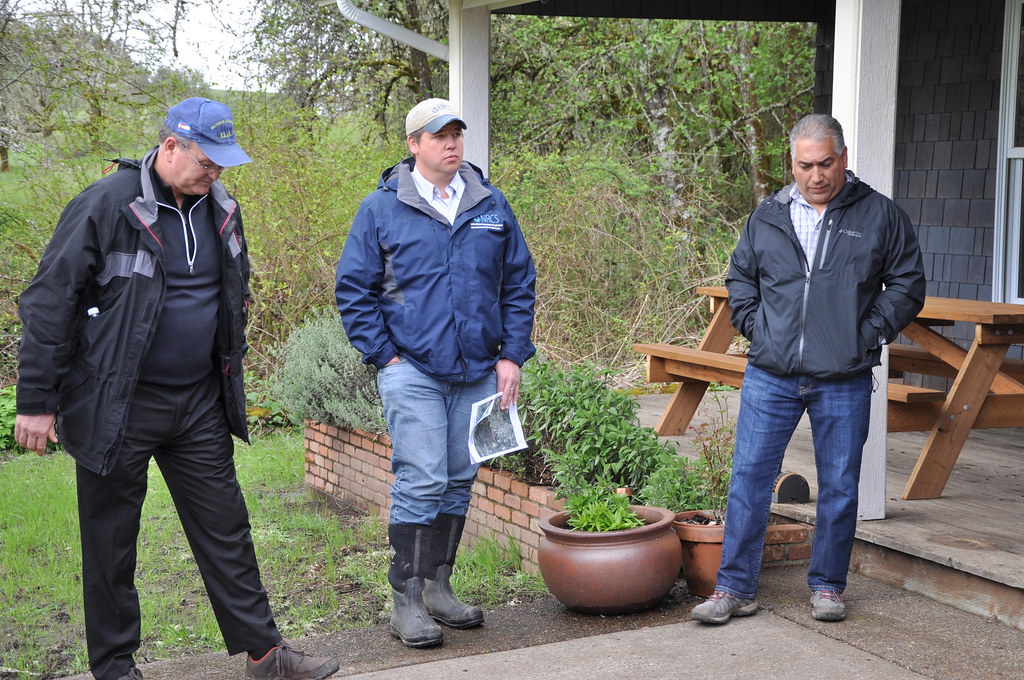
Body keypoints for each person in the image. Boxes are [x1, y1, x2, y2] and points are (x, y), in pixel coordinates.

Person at [14, 97, 340, 680]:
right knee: (111, 542)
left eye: (223, 162)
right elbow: (48, 304)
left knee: (227, 528)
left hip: (196, 404)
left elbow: (231, 297)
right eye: (206, 159)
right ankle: (114, 667)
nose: (215, 171)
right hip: (118, 403)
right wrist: (37, 402)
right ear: (169, 147)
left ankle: (266, 655)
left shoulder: (222, 210)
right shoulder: (107, 206)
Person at [691, 114, 926, 625]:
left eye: (825, 163)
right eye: (805, 165)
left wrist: (865, 335)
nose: (815, 175)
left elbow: (908, 284)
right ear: (791, 165)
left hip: (842, 376)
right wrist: (757, 326)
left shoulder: (880, 215)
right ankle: (734, 588)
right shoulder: (769, 213)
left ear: (843, 158)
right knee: (749, 478)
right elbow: (741, 277)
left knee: (840, 485)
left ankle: (826, 586)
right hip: (771, 373)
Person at [335, 98, 536, 648]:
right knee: (422, 479)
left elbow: (518, 285)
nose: (450, 143)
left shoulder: (491, 204)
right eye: (438, 135)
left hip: (477, 371)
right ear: (413, 145)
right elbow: (354, 291)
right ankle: (406, 599)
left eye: (456, 134)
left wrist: (511, 355)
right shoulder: (381, 209)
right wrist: (385, 355)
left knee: (458, 481)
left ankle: (438, 588)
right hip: (413, 370)